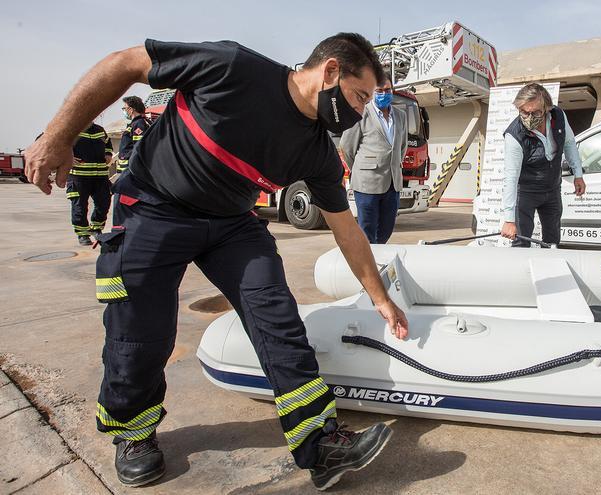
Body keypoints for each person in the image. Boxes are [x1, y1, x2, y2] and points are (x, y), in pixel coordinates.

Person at [24, 34, 408, 491]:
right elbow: (122, 63)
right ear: (329, 72)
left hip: (232, 224)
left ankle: (320, 444)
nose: (362, 111)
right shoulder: (232, 67)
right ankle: (133, 434)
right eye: (359, 96)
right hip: (154, 207)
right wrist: (58, 135)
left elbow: (347, 230)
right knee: (141, 335)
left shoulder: (318, 151)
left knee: (278, 321)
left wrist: (380, 298)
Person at [500, 83, 585, 247]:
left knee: (552, 242)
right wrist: (509, 220)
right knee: (521, 242)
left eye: (536, 112)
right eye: (524, 112)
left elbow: (569, 144)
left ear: (546, 108)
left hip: (552, 190)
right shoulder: (514, 136)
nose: (529, 117)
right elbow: (511, 177)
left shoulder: (559, 116)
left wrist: (578, 174)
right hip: (526, 193)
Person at [340, 72, 406, 244]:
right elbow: (347, 147)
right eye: (379, 90)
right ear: (372, 92)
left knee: (386, 230)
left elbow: (401, 147)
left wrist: (395, 166)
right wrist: (362, 168)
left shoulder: (400, 115)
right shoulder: (361, 113)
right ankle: (368, 266)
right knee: (366, 231)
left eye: (388, 89)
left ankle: (379, 259)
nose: (384, 93)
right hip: (367, 183)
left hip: (393, 183)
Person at [69, 122, 113, 245]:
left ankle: (96, 228)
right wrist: (67, 157)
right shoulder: (72, 128)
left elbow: (108, 144)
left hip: (100, 176)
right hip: (79, 176)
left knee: (104, 203)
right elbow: (58, 144)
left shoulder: (99, 130)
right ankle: (82, 234)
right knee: (79, 207)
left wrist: (108, 154)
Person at [117, 95, 150, 175]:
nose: (124, 111)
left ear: (131, 109)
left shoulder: (139, 124)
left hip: (131, 169)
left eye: (124, 108)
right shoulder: (137, 123)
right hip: (128, 168)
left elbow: (138, 146)